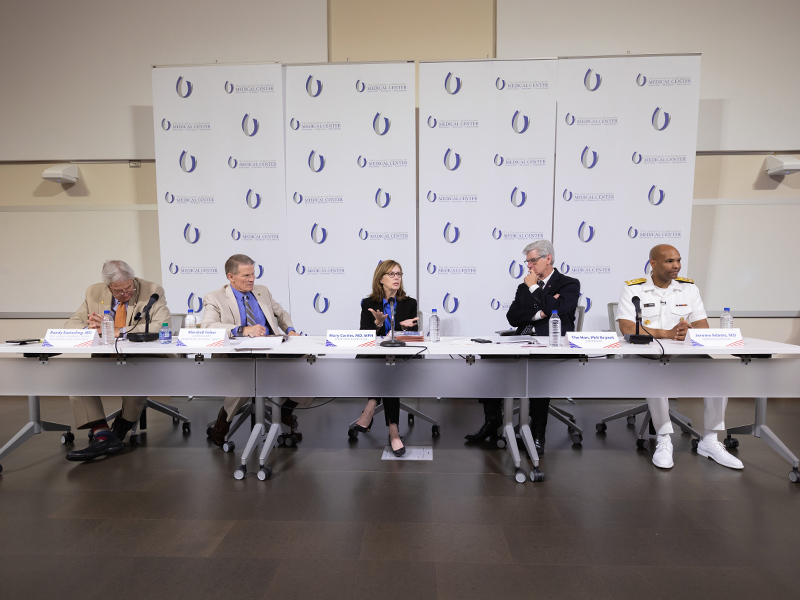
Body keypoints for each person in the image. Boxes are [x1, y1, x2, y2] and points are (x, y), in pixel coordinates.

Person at [617, 243, 743, 470]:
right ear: (653, 264)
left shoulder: (688, 289)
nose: (676, 266)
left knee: (718, 376)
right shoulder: (633, 289)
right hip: (648, 357)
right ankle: (664, 440)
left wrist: (689, 331)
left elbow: (702, 326)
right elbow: (627, 327)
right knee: (656, 375)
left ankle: (710, 440)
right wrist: (665, 333)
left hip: (683, 354)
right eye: (669, 261)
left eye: (678, 260)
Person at [465, 240, 580, 456]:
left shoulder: (569, 284)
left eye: (533, 261)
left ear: (548, 258)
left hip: (552, 345)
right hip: (524, 340)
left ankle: (537, 434)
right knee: (490, 360)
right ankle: (492, 421)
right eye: (527, 262)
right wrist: (540, 313)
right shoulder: (522, 286)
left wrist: (536, 289)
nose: (529, 266)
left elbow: (558, 308)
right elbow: (513, 317)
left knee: (538, 371)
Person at [64, 260, 171, 461]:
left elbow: (160, 325)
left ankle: (122, 424)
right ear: (108, 286)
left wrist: (118, 331)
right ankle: (103, 434)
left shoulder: (152, 290)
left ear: (133, 280)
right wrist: (91, 328)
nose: (125, 294)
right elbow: (72, 323)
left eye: (128, 287)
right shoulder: (93, 292)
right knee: (76, 377)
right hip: (107, 356)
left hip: (143, 356)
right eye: (118, 291)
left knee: (135, 374)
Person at [202, 254, 302, 446]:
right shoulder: (214, 297)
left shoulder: (261, 291)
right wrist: (242, 330)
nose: (252, 279)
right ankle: (222, 424)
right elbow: (208, 326)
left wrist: (290, 330)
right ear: (231, 277)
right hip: (234, 356)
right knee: (246, 379)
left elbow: (280, 313)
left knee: (308, 363)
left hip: (269, 352)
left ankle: (285, 411)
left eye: (253, 274)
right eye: (246, 276)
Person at [352, 260, 418, 456]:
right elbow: (364, 334)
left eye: (399, 274)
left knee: (390, 368)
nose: (396, 277)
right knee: (387, 369)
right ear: (380, 279)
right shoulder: (369, 303)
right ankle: (393, 431)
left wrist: (407, 328)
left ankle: (371, 406)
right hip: (375, 358)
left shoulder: (409, 303)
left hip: (402, 357)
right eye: (391, 274)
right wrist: (378, 325)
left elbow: (415, 335)